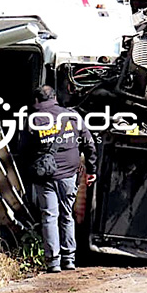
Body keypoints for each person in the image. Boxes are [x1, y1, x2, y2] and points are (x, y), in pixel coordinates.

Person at [26, 85, 97, 273]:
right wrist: (91, 169)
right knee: (67, 215)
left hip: (44, 176)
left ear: (36, 101)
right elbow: (89, 143)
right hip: (69, 174)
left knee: (49, 216)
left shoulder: (33, 120)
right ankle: (69, 259)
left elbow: (24, 149)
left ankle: (53, 262)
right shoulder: (72, 116)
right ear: (55, 97)